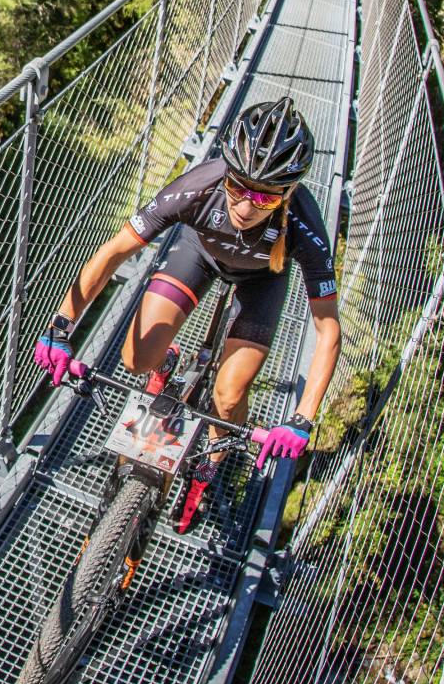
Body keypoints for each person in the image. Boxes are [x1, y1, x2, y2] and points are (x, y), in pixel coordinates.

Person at [32, 97, 342, 518]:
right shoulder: (198, 184)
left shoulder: (305, 223)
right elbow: (115, 251)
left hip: (263, 277)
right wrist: (62, 324)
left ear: (288, 193)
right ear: (226, 173)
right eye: (237, 188)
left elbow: (327, 331)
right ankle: (165, 364)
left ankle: (211, 462)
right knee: (136, 359)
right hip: (199, 252)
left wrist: (303, 419)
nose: (245, 207)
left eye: (265, 199)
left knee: (229, 397)